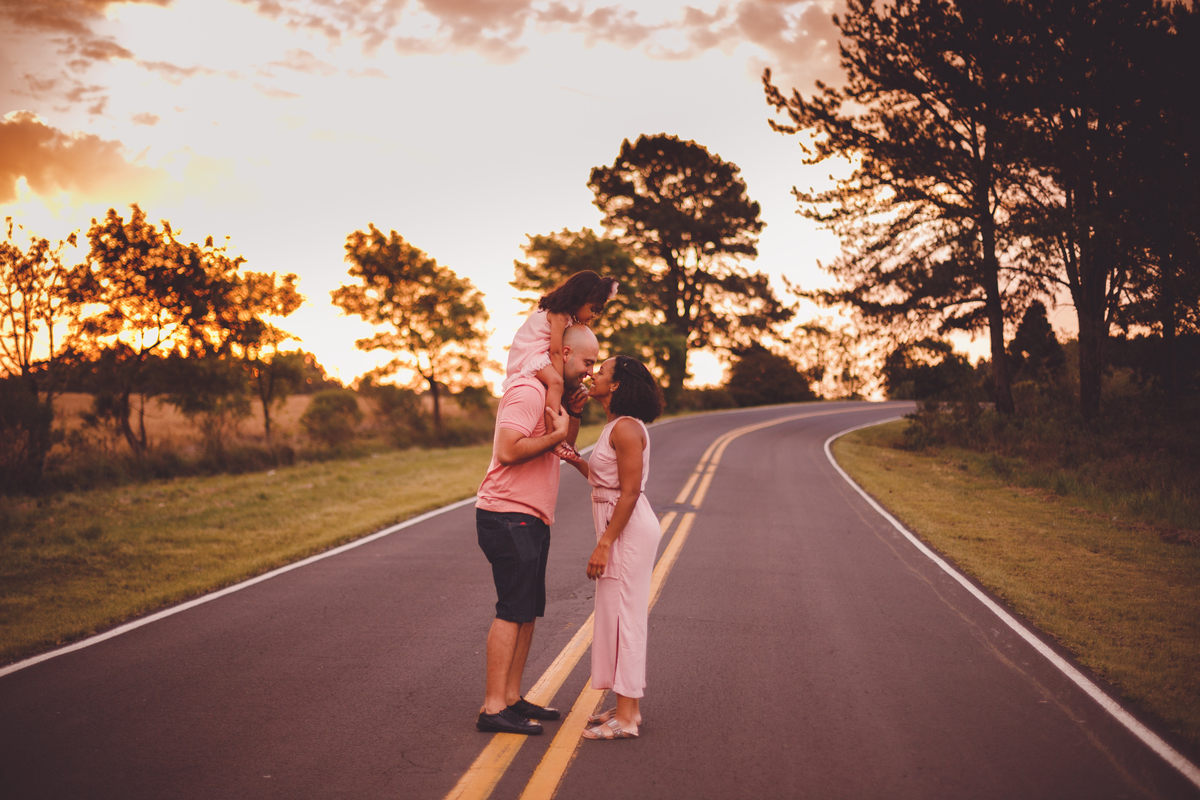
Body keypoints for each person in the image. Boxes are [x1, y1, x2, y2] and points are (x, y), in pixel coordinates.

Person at [475, 324, 599, 735]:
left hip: (531, 516)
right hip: (507, 514)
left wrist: (574, 414)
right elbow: (508, 450)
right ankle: (492, 707)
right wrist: (558, 432)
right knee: (512, 609)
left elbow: (562, 447)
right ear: (563, 354)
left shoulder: (553, 395)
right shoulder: (528, 391)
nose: (589, 371)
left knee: (527, 611)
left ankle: (511, 698)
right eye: (586, 362)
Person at [561, 355, 665, 740]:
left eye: (600, 371)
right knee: (617, 615)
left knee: (624, 617)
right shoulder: (613, 426)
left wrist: (604, 543)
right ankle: (629, 709)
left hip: (626, 530)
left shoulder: (624, 429)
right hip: (617, 523)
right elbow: (604, 480)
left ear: (617, 384)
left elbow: (631, 491)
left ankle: (626, 718)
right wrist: (574, 459)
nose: (592, 375)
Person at [504, 270, 618, 440]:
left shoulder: (563, 316)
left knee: (558, 386)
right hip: (529, 354)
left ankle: (559, 429)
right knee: (556, 383)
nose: (593, 315)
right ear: (580, 299)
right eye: (592, 309)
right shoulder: (558, 316)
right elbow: (556, 352)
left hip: (535, 353)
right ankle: (552, 432)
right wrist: (560, 381)